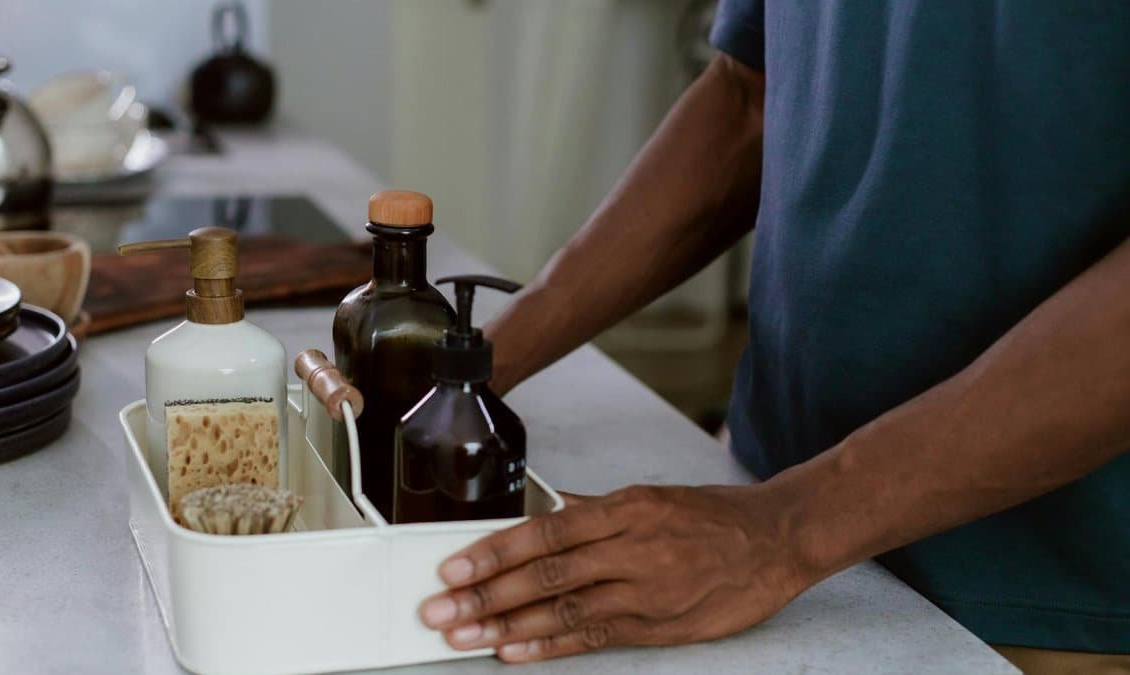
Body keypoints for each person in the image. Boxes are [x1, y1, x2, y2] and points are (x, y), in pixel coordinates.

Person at [417, 2, 1130, 672]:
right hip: (753, 516)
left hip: (1045, 601)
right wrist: (477, 363)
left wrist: (789, 529)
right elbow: (747, 100)